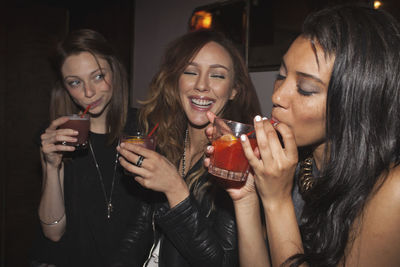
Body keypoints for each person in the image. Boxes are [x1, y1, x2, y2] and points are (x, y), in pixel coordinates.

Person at [205, 4, 400, 267]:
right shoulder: (296, 165)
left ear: (357, 103)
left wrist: (277, 202)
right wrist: (246, 197)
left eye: (305, 89)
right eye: (281, 75)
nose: (276, 96)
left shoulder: (392, 188)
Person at [117, 29, 261, 266]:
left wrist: (175, 189)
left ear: (235, 89)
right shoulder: (166, 141)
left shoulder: (239, 157)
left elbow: (222, 262)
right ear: (176, 81)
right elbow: (139, 230)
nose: (201, 85)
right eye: (191, 72)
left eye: (217, 76)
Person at [31, 29, 152, 267]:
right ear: (65, 87)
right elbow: (53, 233)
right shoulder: (56, 136)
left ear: (114, 71)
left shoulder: (143, 129)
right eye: (75, 82)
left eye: (98, 77)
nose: (88, 92)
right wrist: (51, 166)